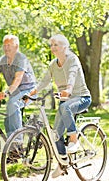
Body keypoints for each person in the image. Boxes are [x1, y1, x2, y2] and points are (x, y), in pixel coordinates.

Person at [28, 34, 91, 178]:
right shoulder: (53, 65)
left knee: (65, 107)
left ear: (65, 47)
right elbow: (44, 81)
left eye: (56, 45)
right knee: (55, 134)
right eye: (51, 45)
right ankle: (63, 164)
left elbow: (72, 75)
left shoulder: (72, 59)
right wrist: (32, 93)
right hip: (65, 101)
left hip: (81, 97)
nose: (53, 47)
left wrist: (68, 89)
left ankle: (73, 138)